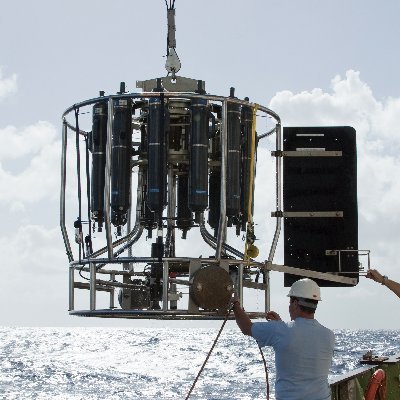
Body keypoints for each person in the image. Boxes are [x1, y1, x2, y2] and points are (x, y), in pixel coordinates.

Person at [232, 278, 334, 400]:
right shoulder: (329, 335)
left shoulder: (280, 330)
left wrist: (235, 305)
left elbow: (247, 328)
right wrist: (280, 324)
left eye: (290, 303)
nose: (289, 307)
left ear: (296, 304)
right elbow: (300, 343)